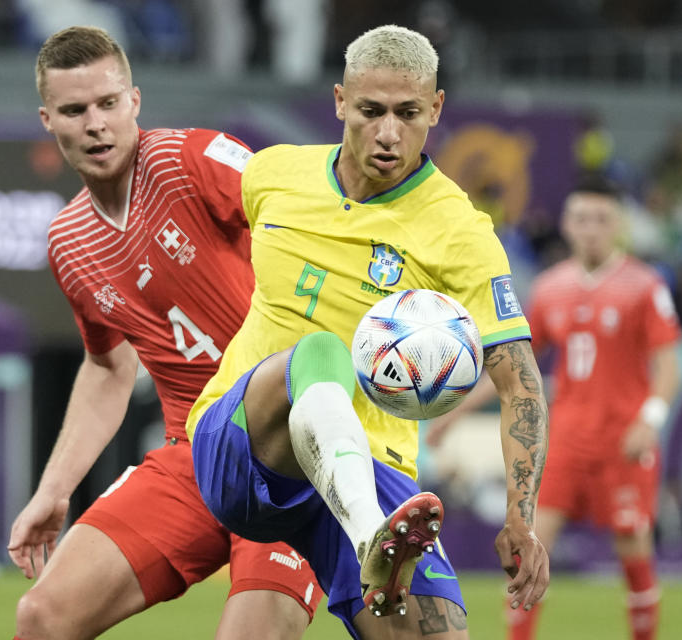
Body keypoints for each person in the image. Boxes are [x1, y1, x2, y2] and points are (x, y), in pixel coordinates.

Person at [185, 24, 550, 639]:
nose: (387, 133)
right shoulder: (275, 174)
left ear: (435, 108)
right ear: (338, 102)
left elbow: (521, 384)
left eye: (408, 113)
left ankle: (372, 537)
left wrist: (521, 518)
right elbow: (186, 205)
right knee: (320, 352)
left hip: (375, 466)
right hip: (246, 444)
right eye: (370, 111)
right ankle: (368, 538)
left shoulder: (459, 232)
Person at [6, 26, 322, 640]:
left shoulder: (189, 159)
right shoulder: (68, 243)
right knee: (42, 617)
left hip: (291, 450)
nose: (96, 123)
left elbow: (298, 210)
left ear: (135, 102)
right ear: (49, 119)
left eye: (108, 103)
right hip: (195, 455)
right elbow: (107, 367)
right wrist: (54, 488)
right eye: (75, 110)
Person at [433, 175, 681, 640]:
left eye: (601, 219)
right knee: (528, 549)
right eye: (582, 218)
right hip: (564, 440)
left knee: (633, 555)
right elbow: (514, 369)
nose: (591, 229)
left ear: (619, 225)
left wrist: (650, 420)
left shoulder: (644, 286)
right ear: (567, 223)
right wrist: (454, 415)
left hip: (622, 443)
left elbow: (667, 365)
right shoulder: (551, 288)